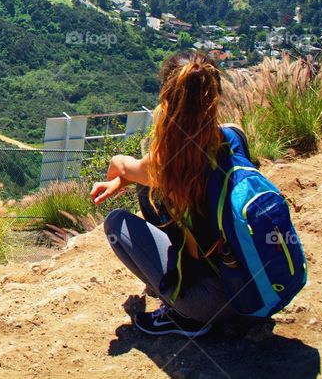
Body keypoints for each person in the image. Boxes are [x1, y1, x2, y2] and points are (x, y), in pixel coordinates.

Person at [91, 51, 238, 337]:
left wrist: (117, 169)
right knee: (148, 186)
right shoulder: (234, 136)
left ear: (167, 98)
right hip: (253, 290)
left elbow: (126, 165)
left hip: (211, 304)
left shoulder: (167, 160)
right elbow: (145, 175)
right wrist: (124, 181)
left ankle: (182, 314)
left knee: (116, 223)